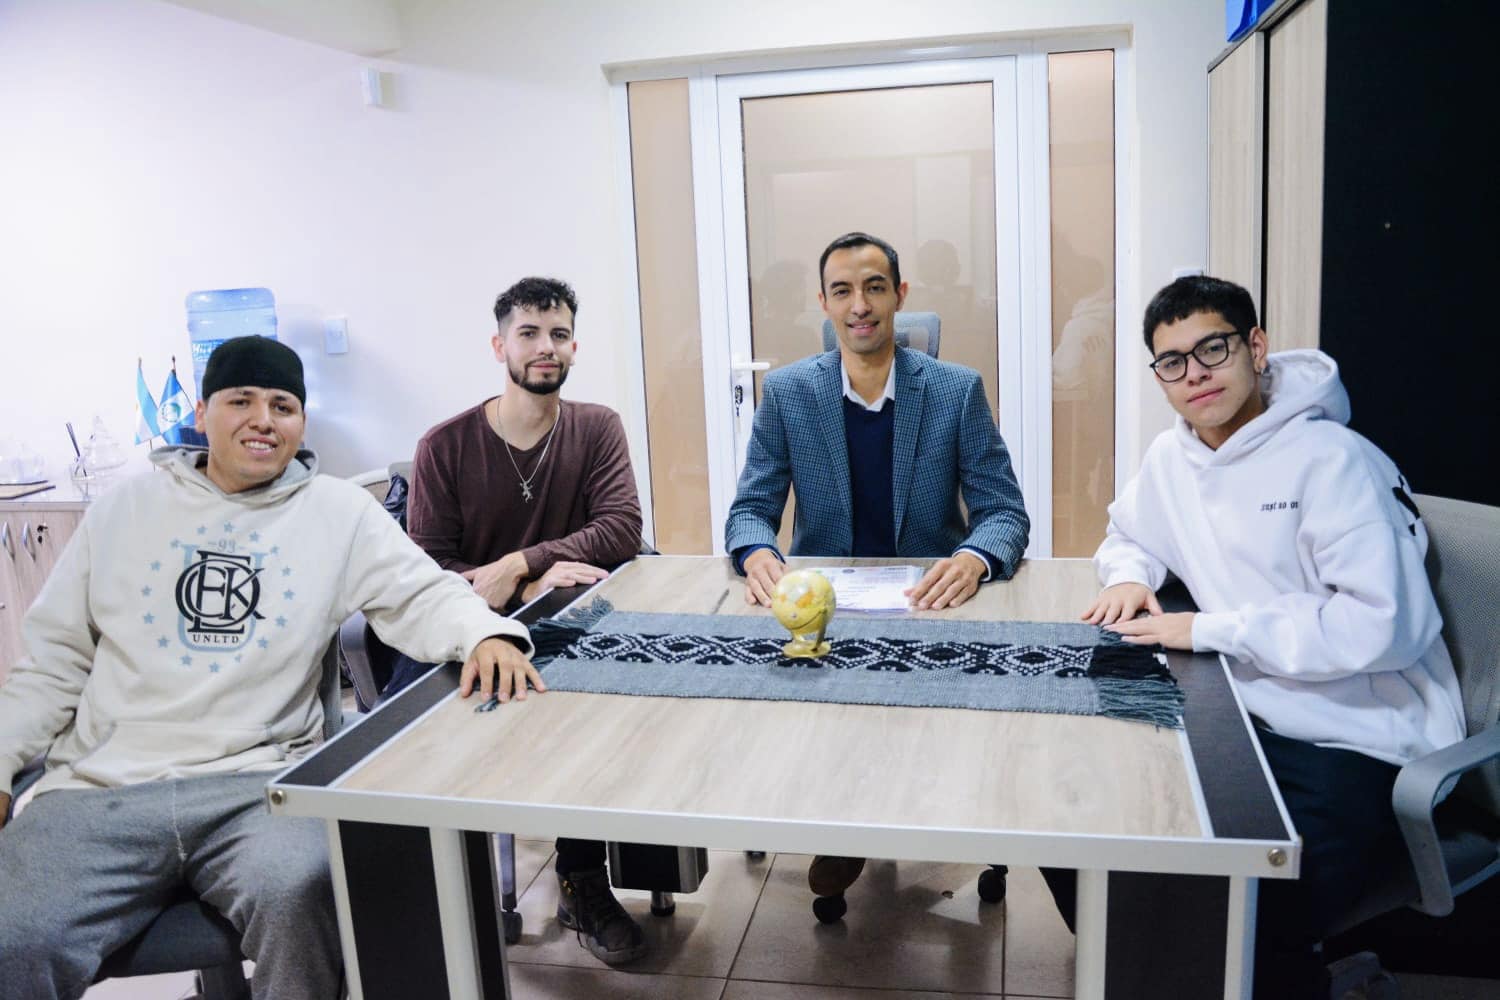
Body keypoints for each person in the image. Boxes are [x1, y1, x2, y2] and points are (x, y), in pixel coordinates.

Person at [0, 336, 539, 1000]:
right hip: (103, 788)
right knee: (13, 934)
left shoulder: (337, 512)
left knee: (302, 897)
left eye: (282, 406)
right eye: (241, 401)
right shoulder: (123, 510)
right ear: (202, 414)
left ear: (302, 423)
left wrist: (486, 634)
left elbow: (422, 594)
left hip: (259, 786)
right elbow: (51, 664)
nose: (263, 420)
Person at [1053, 275, 1465, 999]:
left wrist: (1211, 628)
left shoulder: (1333, 459)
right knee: (1077, 817)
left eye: (1212, 349)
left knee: (1236, 899)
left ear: (1256, 347)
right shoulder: (1174, 456)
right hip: (1242, 714)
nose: (1195, 374)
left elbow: (1384, 626)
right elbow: (1129, 533)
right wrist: (1128, 574)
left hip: (1355, 735)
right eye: (1172, 361)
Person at [723, 231, 1031, 903]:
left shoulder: (954, 391)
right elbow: (749, 509)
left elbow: (1005, 512)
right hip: (829, 606)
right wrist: (758, 551)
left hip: (931, 603)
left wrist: (974, 557)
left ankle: (917, 811)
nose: (859, 305)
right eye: (842, 291)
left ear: (899, 296)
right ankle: (848, 824)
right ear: (824, 303)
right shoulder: (790, 393)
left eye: (874, 288)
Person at [400, 275, 649, 966]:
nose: (546, 348)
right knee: (415, 728)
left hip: (570, 627)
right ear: (498, 346)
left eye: (559, 335)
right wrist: (518, 591)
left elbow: (622, 528)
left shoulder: (595, 427)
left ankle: (582, 879)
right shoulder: (444, 446)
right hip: (471, 633)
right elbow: (429, 572)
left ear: (574, 347)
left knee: (605, 707)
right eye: (529, 334)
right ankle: (441, 895)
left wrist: (523, 563)